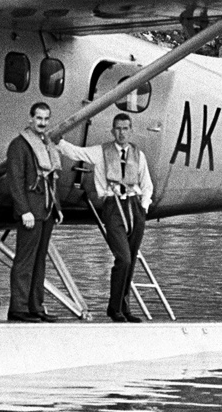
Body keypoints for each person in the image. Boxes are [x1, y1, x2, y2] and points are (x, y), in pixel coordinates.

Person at [58, 113, 153, 322]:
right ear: (112, 131)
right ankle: (114, 308)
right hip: (113, 207)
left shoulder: (139, 155)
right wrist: (58, 141)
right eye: (118, 129)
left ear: (131, 131)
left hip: (135, 207)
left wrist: (143, 207)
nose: (121, 133)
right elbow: (77, 153)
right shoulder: (101, 152)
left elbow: (147, 184)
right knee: (123, 258)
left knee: (131, 261)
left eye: (126, 128)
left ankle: (124, 307)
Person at [7, 101, 64, 322]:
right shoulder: (19, 146)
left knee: (40, 260)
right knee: (25, 260)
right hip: (31, 212)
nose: (42, 123)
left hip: (46, 212)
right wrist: (24, 211)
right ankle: (18, 308)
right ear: (30, 119)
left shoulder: (46, 144)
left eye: (46, 119)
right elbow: (15, 180)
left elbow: (51, 180)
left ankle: (35, 307)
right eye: (39, 118)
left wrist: (58, 208)